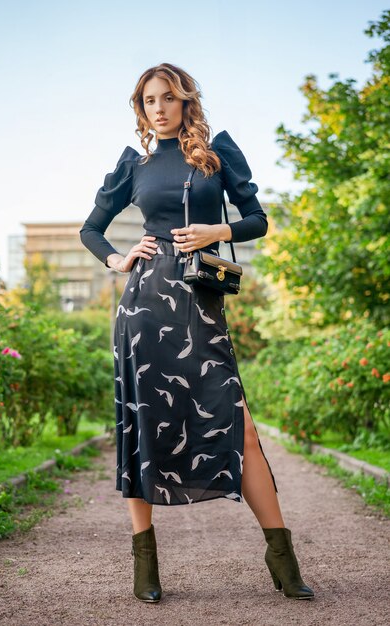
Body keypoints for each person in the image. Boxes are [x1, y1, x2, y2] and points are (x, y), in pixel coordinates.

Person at [79, 62, 314, 603]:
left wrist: (219, 229)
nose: (157, 109)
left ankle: (282, 556)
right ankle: (145, 564)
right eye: (147, 101)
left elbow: (257, 219)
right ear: (141, 110)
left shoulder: (217, 154)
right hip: (144, 309)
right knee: (141, 429)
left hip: (201, 305)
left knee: (242, 429)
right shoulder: (133, 165)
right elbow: (91, 229)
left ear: (186, 101)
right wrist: (118, 259)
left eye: (166, 98)